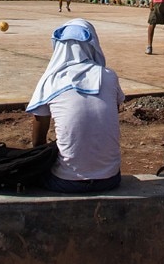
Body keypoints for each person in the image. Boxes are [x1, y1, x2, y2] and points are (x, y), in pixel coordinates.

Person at [26, 19, 124, 193]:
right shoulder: (109, 76)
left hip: (66, 181)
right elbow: (110, 117)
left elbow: (38, 141)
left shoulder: (51, 81)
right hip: (110, 178)